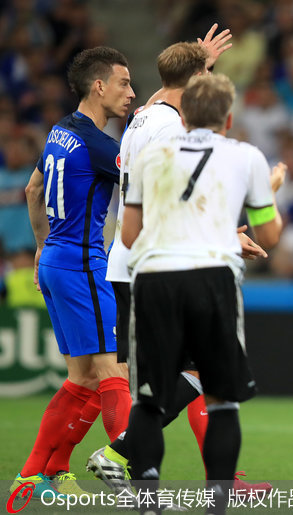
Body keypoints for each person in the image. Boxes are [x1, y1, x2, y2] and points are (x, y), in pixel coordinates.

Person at [88, 28, 272, 496]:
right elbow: (176, 198)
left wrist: (194, 62)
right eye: (205, 75)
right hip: (159, 263)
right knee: (194, 375)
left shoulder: (145, 116)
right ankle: (120, 454)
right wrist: (231, 233)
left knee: (165, 378)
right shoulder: (174, 128)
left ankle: (137, 477)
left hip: (130, 260)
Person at [120, 73, 283, 515]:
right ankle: (217, 504)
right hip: (211, 279)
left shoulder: (151, 156)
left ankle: (148, 502)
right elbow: (269, 233)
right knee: (221, 398)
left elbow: (130, 235)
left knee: (149, 399)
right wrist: (268, 192)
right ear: (228, 118)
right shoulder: (246, 157)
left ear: (184, 115)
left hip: (155, 279)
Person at [13, 46, 135, 499]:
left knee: (81, 377)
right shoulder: (104, 147)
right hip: (84, 263)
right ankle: (133, 480)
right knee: (113, 371)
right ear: (99, 86)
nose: (130, 93)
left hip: (55, 261)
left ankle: (40, 472)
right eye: (123, 83)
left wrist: (44, 247)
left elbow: (32, 189)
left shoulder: (59, 130)